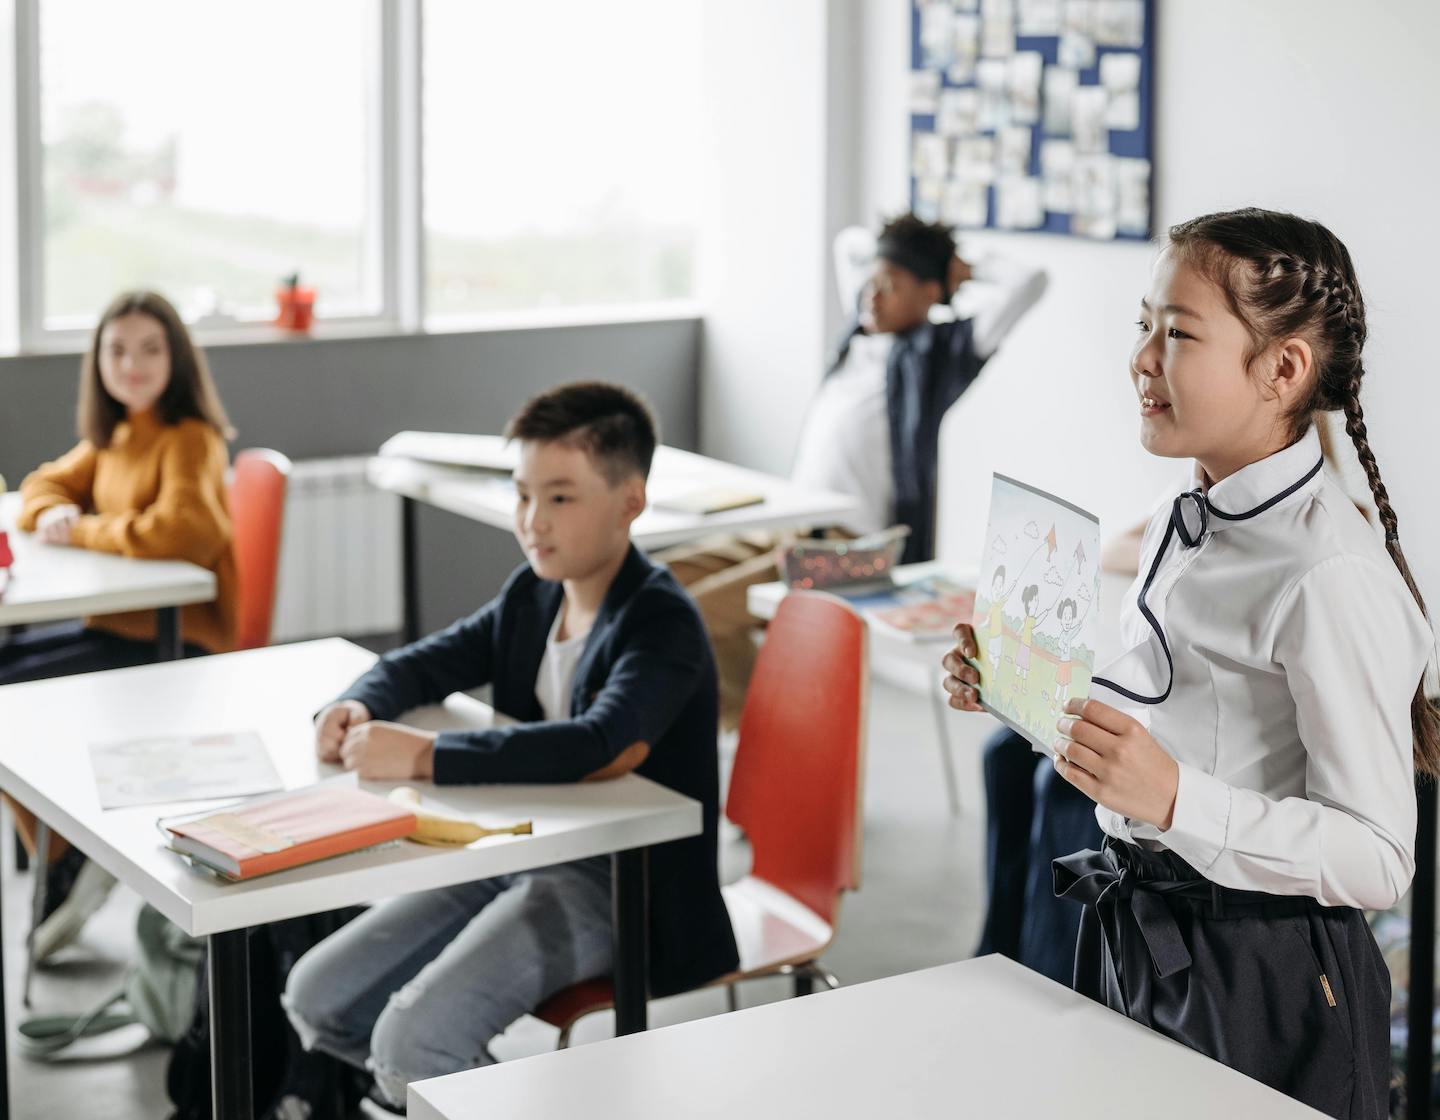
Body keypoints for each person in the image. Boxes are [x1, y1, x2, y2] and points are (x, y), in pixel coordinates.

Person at [943, 208, 1436, 1117]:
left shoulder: (1327, 572)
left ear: (1281, 370)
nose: (1140, 358)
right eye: (1144, 326)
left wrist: (1174, 799)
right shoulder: (1196, 507)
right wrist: (1029, 691)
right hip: (1148, 931)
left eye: (1177, 333)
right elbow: (1194, 710)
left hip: (1266, 982)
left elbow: (1377, 859)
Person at [282, 381, 739, 1109]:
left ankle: (429, 1089)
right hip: (520, 849)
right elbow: (427, 661)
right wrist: (354, 702)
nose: (533, 521)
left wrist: (427, 756)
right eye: (523, 495)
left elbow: (604, 745)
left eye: (560, 498)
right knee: (317, 995)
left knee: (412, 1045)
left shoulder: (661, 622)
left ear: (630, 502)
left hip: (621, 887)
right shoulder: (535, 595)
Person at [662, 213, 1047, 727]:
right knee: (662, 585)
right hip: (790, 524)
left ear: (931, 293)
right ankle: (752, 714)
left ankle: (759, 725)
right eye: (872, 280)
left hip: (855, 545)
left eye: (892, 285)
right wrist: (899, 253)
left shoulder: (939, 355)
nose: (873, 293)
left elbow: (1030, 282)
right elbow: (848, 244)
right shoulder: (859, 332)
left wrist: (961, 268)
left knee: (700, 612)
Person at [1, 290, 237, 960]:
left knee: (12, 704)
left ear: (177, 359)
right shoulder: (116, 436)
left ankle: (62, 858)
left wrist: (86, 532)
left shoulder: (189, 437)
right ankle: (60, 853)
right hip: (116, 632)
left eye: (150, 349)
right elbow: (40, 487)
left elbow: (186, 532)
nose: (132, 364)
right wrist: (58, 514)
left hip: (179, 642)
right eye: (117, 350)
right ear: (97, 361)